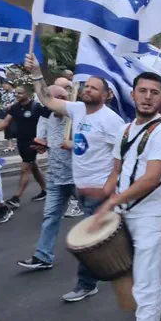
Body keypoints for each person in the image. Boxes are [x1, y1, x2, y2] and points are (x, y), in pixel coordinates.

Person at [92, 72, 161, 321]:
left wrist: (113, 201)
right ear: (132, 95)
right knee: (135, 281)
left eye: (154, 92)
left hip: (151, 218)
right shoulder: (124, 130)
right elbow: (117, 172)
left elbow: (151, 178)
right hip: (124, 216)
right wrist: (104, 200)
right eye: (142, 91)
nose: (147, 96)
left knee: (143, 289)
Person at [26, 54, 125, 302]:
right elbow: (47, 100)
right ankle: (122, 274)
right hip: (81, 189)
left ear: (106, 95)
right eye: (86, 86)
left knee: (89, 242)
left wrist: (109, 190)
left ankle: (88, 283)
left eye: (94, 88)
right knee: (98, 242)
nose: (88, 90)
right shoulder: (78, 109)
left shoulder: (112, 121)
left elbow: (121, 160)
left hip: (99, 192)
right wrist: (37, 72)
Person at [17, 85, 78, 270]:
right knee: (50, 216)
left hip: (79, 177)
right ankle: (43, 257)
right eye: (53, 99)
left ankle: (115, 254)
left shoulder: (78, 117)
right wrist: (41, 144)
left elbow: (92, 144)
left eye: (62, 97)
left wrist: (73, 144)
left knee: (98, 217)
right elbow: (43, 141)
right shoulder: (47, 117)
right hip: (56, 176)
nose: (58, 102)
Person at [0, 83, 48, 207]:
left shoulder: (36, 107)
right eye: (16, 93)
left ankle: (17, 197)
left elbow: (51, 120)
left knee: (25, 168)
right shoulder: (15, 107)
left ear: (28, 94)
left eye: (20, 93)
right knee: (33, 166)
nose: (17, 95)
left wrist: (46, 140)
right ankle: (46, 190)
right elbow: (6, 122)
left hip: (34, 142)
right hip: (21, 142)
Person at [52, 77, 84, 219]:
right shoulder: (53, 109)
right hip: (57, 158)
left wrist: (71, 143)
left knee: (74, 182)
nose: (59, 93)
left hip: (77, 158)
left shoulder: (80, 110)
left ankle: (78, 203)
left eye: (64, 89)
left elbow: (91, 141)